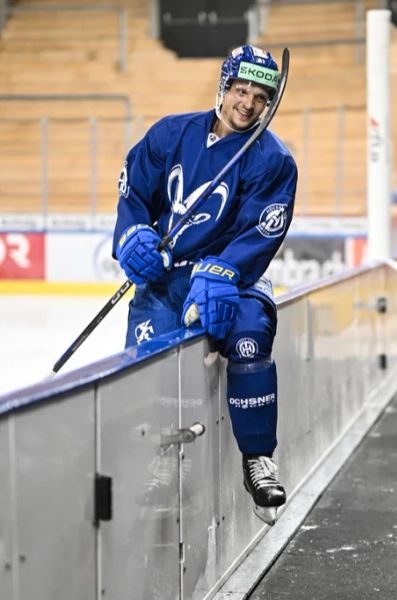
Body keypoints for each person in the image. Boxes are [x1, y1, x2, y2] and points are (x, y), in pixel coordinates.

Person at [112, 45, 298, 526]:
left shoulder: (274, 160)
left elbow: (263, 230)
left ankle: (257, 458)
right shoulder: (170, 134)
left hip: (234, 278)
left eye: (261, 96)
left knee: (252, 337)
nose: (248, 104)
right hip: (169, 275)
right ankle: (165, 457)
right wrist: (133, 237)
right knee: (152, 357)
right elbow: (133, 193)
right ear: (224, 87)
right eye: (241, 90)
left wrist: (224, 271)